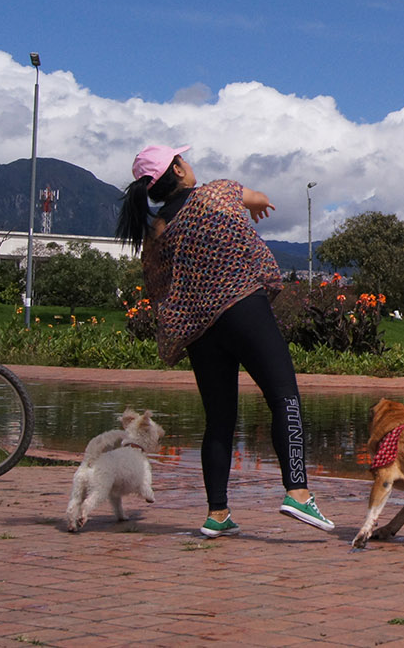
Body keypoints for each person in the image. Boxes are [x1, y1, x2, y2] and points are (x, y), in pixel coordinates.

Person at [116, 145, 333, 538]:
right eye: (184, 159)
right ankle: (298, 491)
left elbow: (163, 287)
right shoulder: (216, 193)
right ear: (179, 169)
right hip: (243, 311)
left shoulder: (157, 231)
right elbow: (260, 198)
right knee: (284, 397)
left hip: (201, 331)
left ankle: (217, 513)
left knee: (219, 421)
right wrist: (253, 207)